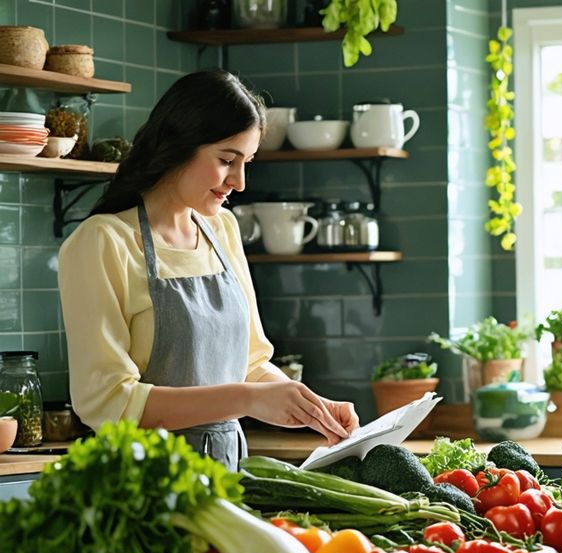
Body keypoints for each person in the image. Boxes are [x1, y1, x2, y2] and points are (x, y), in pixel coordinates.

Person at [58, 70, 358, 470]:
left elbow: (250, 362)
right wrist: (248, 399)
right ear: (179, 145)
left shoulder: (222, 230)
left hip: (226, 471)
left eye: (247, 162)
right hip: (143, 482)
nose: (240, 182)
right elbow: (109, 401)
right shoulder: (103, 241)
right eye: (227, 161)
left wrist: (308, 404)